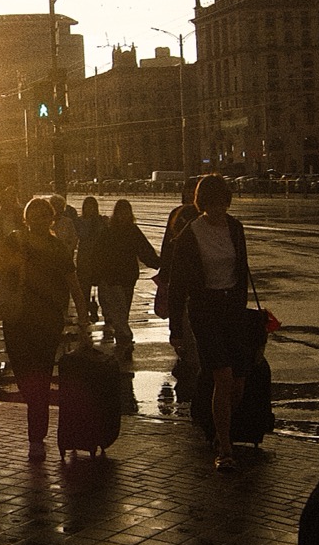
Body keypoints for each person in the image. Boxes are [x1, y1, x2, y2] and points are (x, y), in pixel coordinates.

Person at [166, 174, 255, 472]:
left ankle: (219, 428)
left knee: (239, 381)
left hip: (233, 310)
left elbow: (242, 269)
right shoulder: (191, 234)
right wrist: (176, 330)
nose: (220, 209)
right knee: (223, 376)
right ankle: (225, 446)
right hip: (206, 311)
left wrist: (241, 303)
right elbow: (177, 285)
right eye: (213, 204)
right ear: (203, 203)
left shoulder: (235, 228)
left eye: (224, 203)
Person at [0, 196, 91, 460]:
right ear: (26, 218)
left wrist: (83, 318)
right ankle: (36, 418)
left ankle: (36, 435)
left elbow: (73, 284)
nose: (39, 220)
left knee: (39, 377)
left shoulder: (57, 248)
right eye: (34, 215)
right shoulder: (14, 241)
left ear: (52, 219)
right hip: (17, 318)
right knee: (25, 376)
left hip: (47, 322)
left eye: (44, 215)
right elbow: (0, 273)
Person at [94, 198, 160, 370]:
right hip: (112, 277)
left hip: (127, 278)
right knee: (119, 310)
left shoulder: (127, 231)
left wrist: (158, 263)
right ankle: (125, 339)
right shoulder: (110, 231)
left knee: (122, 311)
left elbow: (145, 251)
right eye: (122, 212)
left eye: (126, 212)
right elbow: (99, 254)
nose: (124, 215)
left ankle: (122, 339)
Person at [159, 177, 202, 416]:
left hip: (183, 281)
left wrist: (164, 272)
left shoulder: (178, 214)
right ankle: (192, 370)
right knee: (189, 328)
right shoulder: (185, 216)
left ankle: (187, 361)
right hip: (188, 283)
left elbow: (167, 246)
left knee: (186, 328)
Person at [74, 196, 107, 326]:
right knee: (84, 287)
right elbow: (79, 236)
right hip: (85, 257)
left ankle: (106, 312)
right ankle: (85, 312)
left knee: (103, 288)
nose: (90, 209)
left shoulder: (101, 221)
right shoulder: (79, 221)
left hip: (99, 257)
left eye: (92, 206)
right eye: (87, 206)